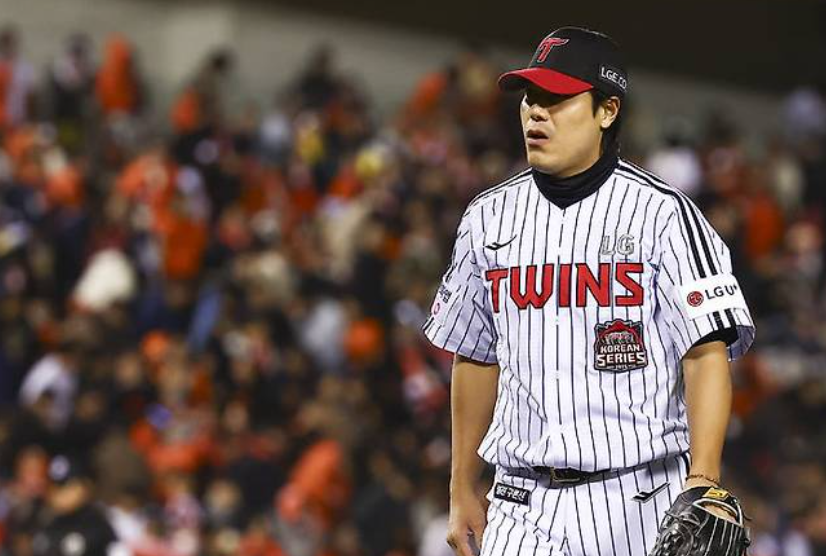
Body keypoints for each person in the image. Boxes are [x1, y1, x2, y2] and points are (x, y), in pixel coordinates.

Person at [423, 27, 755, 556]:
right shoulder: (487, 217)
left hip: (641, 498)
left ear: (607, 111)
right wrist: (461, 485)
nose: (536, 111)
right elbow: (476, 355)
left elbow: (705, 352)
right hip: (520, 500)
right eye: (530, 98)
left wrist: (703, 478)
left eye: (556, 98)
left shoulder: (663, 215)